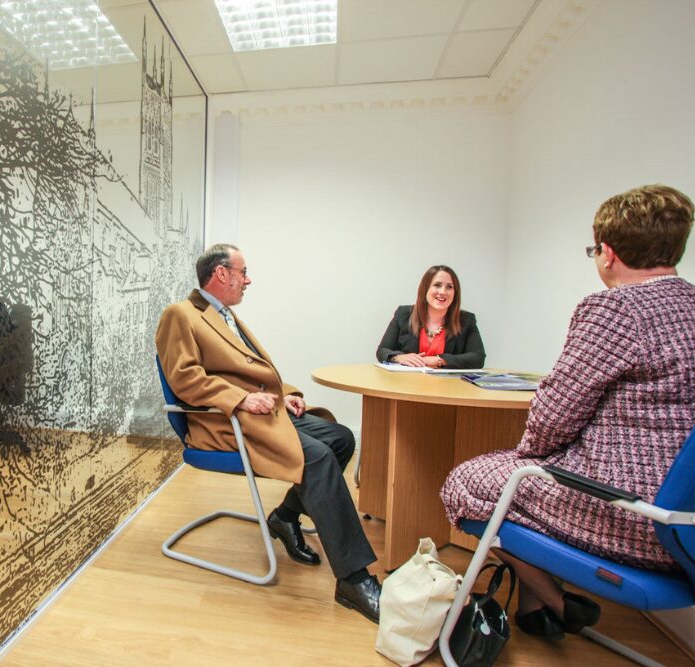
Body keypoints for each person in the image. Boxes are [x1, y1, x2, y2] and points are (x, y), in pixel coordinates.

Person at [440, 184, 695, 640]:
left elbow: (553, 418)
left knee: (465, 482)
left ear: (608, 253)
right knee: (522, 483)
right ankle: (535, 609)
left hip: (633, 515)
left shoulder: (616, 308)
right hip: (684, 523)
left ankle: (557, 602)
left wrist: (528, 455)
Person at [156, 243, 382, 622]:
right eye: (243, 272)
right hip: (223, 422)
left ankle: (285, 517)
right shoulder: (180, 314)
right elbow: (184, 378)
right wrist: (241, 399)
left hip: (259, 413)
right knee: (317, 459)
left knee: (341, 438)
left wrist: (285, 395)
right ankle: (354, 579)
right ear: (221, 273)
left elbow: (250, 373)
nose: (248, 280)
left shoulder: (224, 315)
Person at [376, 265, 485, 369]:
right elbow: (382, 350)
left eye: (449, 287)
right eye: (437, 285)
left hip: (447, 382)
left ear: (455, 293)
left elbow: (478, 358)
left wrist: (440, 360)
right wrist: (399, 357)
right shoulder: (403, 314)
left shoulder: (466, 320)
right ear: (425, 288)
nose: (443, 292)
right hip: (407, 380)